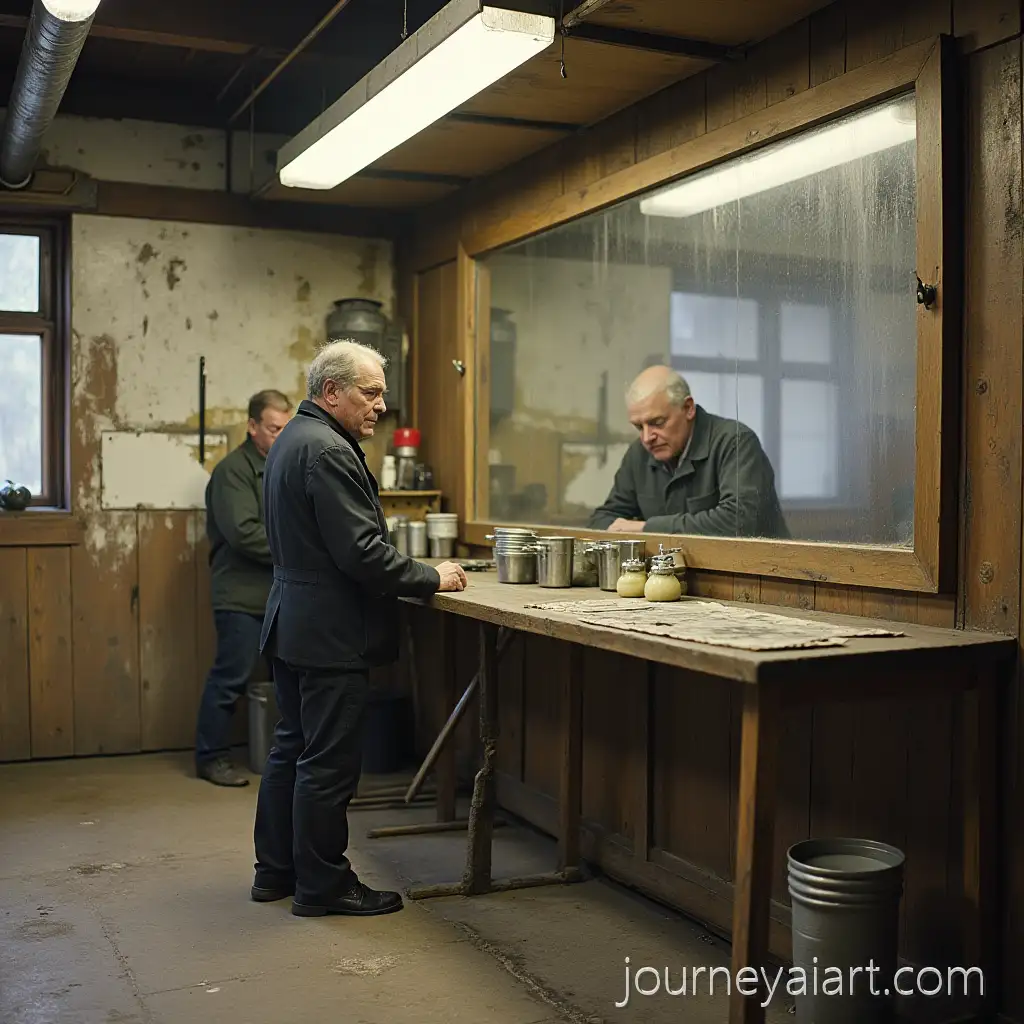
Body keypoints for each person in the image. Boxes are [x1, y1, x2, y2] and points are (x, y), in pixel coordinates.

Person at [251, 338, 468, 918]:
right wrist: (431, 576)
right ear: (331, 391)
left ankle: (276, 872)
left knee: (292, 749)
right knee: (327, 764)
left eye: (381, 394)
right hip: (329, 631)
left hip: (294, 619)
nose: (380, 406)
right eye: (370, 393)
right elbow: (362, 554)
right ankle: (323, 886)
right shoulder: (328, 450)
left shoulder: (294, 439)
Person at [195, 389, 293, 787]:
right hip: (239, 595)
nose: (281, 436)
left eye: (286, 429)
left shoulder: (281, 467)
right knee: (231, 677)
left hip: (275, 595)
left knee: (285, 679)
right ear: (252, 426)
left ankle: (281, 758)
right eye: (274, 429)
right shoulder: (232, 472)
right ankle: (211, 757)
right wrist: (300, 550)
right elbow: (244, 534)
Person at [588, 365, 788, 538]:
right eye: (639, 427)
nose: (647, 437)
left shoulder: (735, 442)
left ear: (688, 408)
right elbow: (602, 519)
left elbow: (737, 522)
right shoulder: (639, 454)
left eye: (657, 422)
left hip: (758, 568)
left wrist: (647, 528)